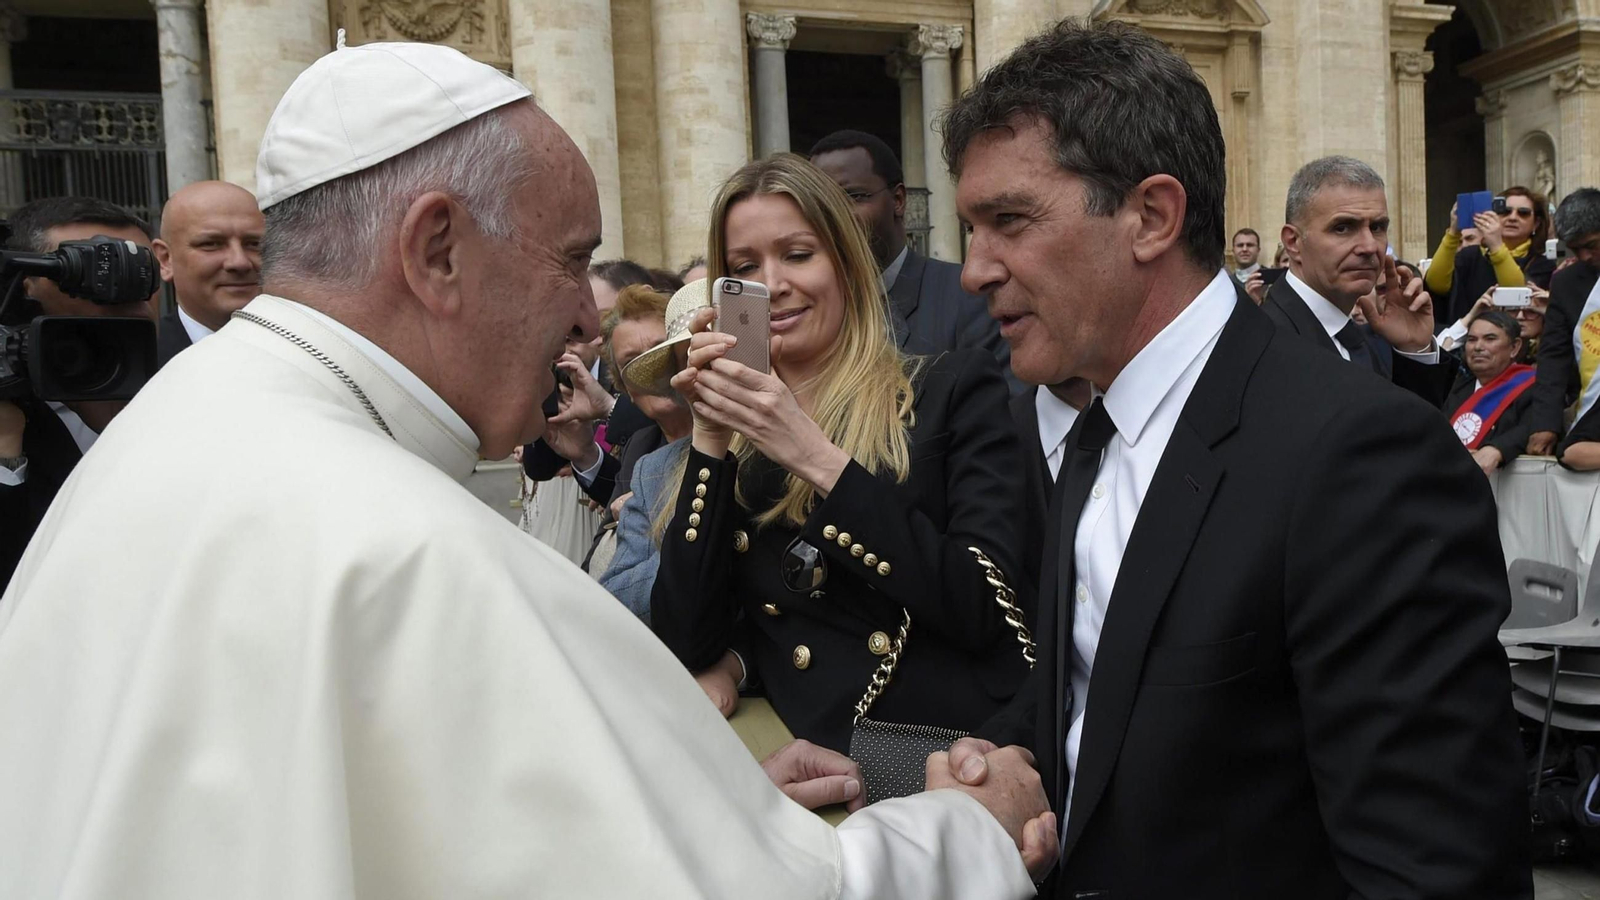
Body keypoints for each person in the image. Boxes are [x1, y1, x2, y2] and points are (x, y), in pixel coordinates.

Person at [0, 41, 1054, 898]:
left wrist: (696, 787)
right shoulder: (402, 541)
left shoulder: (178, 423)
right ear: (437, 252)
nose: (586, 318)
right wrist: (962, 841)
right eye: (567, 259)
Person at [939, 18, 1528, 898]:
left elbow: (1434, 871)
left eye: (1009, 221)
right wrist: (1003, 755)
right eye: (970, 229)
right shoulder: (1091, 419)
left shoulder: (1361, 459)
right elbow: (1111, 681)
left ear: (1152, 215)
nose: (973, 270)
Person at [643, 153, 1032, 764]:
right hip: (798, 778)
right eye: (745, 267)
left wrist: (816, 458)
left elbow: (989, 609)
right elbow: (686, 638)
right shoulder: (734, 444)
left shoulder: (945, 390)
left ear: (847, 266)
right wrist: (711, 438)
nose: (772, 285)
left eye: (798, 254)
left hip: (936, 769)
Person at [0, 196, 159, 592]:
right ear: (24, 288)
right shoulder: (12, 413)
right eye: (85, 271)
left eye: (140, 275)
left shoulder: (193, 381)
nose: (119, 292)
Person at [809, 129, 1017, 390]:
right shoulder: (806, 313)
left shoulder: (969, 299)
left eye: (852, 196)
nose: (835, 216)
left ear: (898, 200)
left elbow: (1007, 418)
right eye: (822, 204)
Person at [1262, 156, 1456, 407]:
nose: (1368, 246)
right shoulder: (1266, 341)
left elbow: (1406, 435)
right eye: (1342, 228)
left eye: (1377, 227)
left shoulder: (1358, 335)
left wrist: (1413, 349)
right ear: (1293, 242)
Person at [596, 282, 697, 610]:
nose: (656, 367)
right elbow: (613, 589)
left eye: (663, 350)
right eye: (634, 360)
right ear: (624, 385)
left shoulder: (750, 437)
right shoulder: (642, 455)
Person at [151, 180, 264, 365]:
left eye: (254, 244)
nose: (239, 262)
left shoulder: (315, 352)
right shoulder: (137, 362)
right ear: (165, 259)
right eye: (211, 244)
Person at [1528, 187, 1600, 465]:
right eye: (1575, 248)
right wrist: (1544, 422)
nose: (1583, 256)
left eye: (1591, 245)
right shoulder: (1566, 283)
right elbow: (1554, 356)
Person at [1425, 186, 1554, 329]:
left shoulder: (1544, 264)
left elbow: (1515, 298)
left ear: (1536, 223)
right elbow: (1436, 285)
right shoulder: (1471, 255)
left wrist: (1496, 245)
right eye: (1504, 211)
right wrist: (1454, 231)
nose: (1512, 217)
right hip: (1467, 339)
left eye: (1523, 213)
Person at [1445, 310, 1536, 475]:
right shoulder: (1453, 389)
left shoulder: (1532, 387)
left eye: (1490, 339)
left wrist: (1497, 450)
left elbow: (1534, 428)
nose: (1478, 347)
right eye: (1472, 340)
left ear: (1514, 347)